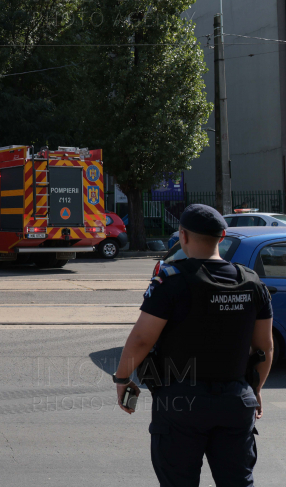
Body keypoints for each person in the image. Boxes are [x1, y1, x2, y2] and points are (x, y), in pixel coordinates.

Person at [112, 204, 274, 487]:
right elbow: (265, 348)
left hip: (180, 403)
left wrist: (123, 378)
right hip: (236, 399)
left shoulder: (171, 281)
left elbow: (141, 339)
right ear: (222, 237)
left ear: (182, 236)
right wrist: (255, 390)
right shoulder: (252, 282)